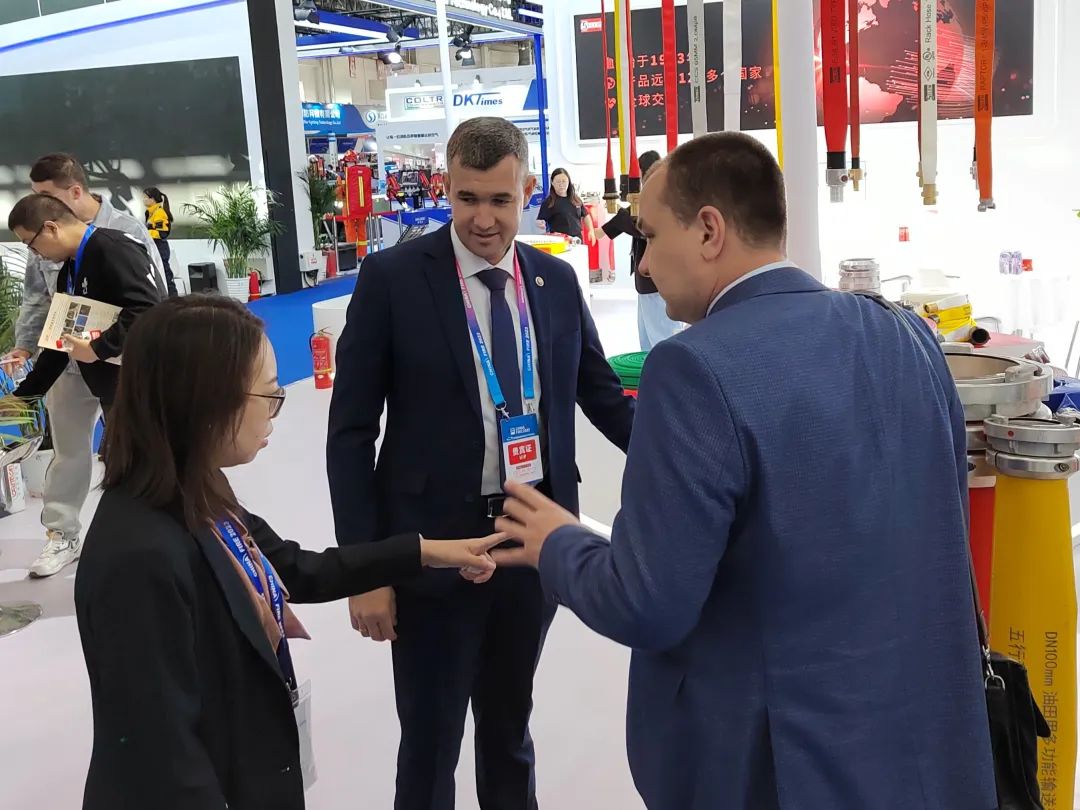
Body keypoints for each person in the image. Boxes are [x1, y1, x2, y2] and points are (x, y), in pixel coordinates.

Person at [492, 133, 996, 809]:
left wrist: (558, 542)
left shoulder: (693, 369)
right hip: (927, 748)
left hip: (783, 767)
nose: (645, 264)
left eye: (651, 235)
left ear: (709, 231)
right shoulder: (906, 335)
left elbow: (647, 601)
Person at [75, 296, 505, 810]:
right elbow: (164, 758)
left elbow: (296, 569)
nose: (275, 410)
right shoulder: (139, 557)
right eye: (268, 393)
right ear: (207, 398)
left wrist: (425, 552)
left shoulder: (195, 489)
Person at [328, 116, 635, 810]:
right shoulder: (393, 279)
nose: (484, 220)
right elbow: (350, 433)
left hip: (532, 547)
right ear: (447, 188)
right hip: (430, 553)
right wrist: (365, 569)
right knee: (430, 745)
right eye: (467, 198)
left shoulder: (555, 281)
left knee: (509, 733)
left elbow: (602, 398)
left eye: (500, 200)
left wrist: (692, 463)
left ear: (527, 191)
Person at [2, 153, 167, 578]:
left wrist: (100, 347)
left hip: (128, 375)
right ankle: (69, 535)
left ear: (52, 225)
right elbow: (61, 340)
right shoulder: (68, 267)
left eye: (32, 243)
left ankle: (160, 541)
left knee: (141, 461)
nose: (34, 254)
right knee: (79, 454)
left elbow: (151, 310)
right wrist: (22, 399)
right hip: (93, 374)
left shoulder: (117, 244)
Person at [602, 150, 682, 351]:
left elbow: (641, 227)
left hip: (657, 282)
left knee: (662, 338)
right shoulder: (645, 203)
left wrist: (615, 223)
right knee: (647, 338)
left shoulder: (662, 202)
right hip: (645, 284)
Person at [535, 167, 595, 243]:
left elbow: (586, 215)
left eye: (564, 181)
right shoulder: (549, 202)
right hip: (559, 241)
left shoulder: (575, 198)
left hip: (577, 240)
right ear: (552, 183)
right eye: (558, 182)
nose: (561, 184)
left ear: (568, 182)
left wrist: (591, 230)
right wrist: (540, 223)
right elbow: (540, 219)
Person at [142, 186, 179, 297]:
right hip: (154, 246)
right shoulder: (150, 213)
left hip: (160, 246)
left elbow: (162, 233)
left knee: (165, 273)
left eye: (146, 197)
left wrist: (146, 234)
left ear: (153, 199)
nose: (144, 200)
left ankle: (173, 298)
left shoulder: (159, 213)